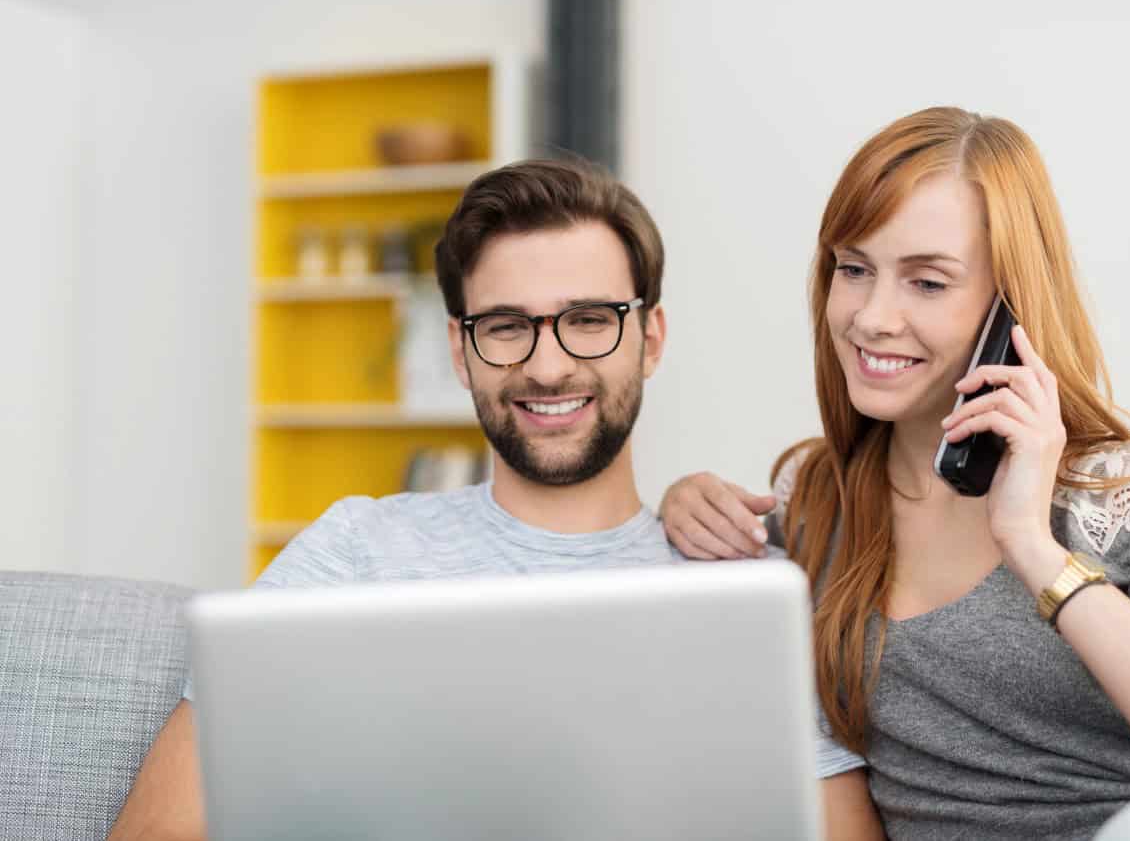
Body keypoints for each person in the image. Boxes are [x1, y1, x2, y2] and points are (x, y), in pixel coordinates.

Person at [109, 158, 877, 841]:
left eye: (587, 321)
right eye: (506, 327)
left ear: (650, 339)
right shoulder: (354, 550)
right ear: (460, 351)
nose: (547, 367)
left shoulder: (739, 588)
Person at [660, 107, 1130, 839]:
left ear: (1010, 308)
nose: (871, 317)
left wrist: (1033, 546)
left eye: (927, 283)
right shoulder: (816, 499)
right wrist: (683, 504)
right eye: (854, 270)